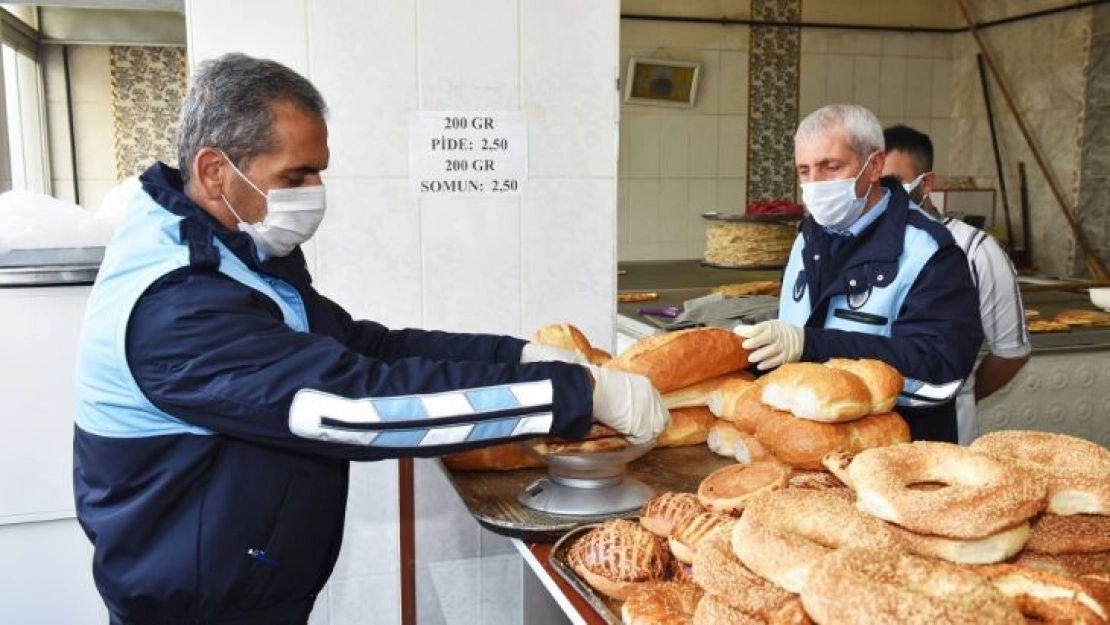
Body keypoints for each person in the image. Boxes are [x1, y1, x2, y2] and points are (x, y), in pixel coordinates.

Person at [72, 53, 668, 624]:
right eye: (295, 175)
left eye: (318, 172)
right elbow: (353, 406)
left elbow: (366, 347)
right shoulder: (177, 305)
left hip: (237, 585)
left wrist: (516, 354)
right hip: (196, 605)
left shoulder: (235, 254)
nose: (313, 192)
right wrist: (575, 394)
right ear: (213, 170)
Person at [734, 104, 983, 443]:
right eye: (804, 171)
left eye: (830, 167)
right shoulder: (809, 236)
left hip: (898, 453)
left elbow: (939, 369)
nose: (814, 184)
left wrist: (811, 345)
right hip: (808, 442)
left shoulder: (929, 252)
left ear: (874, 165)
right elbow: (802, 324)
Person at [883, 124, 1031, 445]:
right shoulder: (869, 247)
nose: (884, 194)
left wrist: (958, 392)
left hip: (945, 433)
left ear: (927, 183)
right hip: (874, 428)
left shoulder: (976, 250)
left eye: (894, 183)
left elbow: (1011, 353)